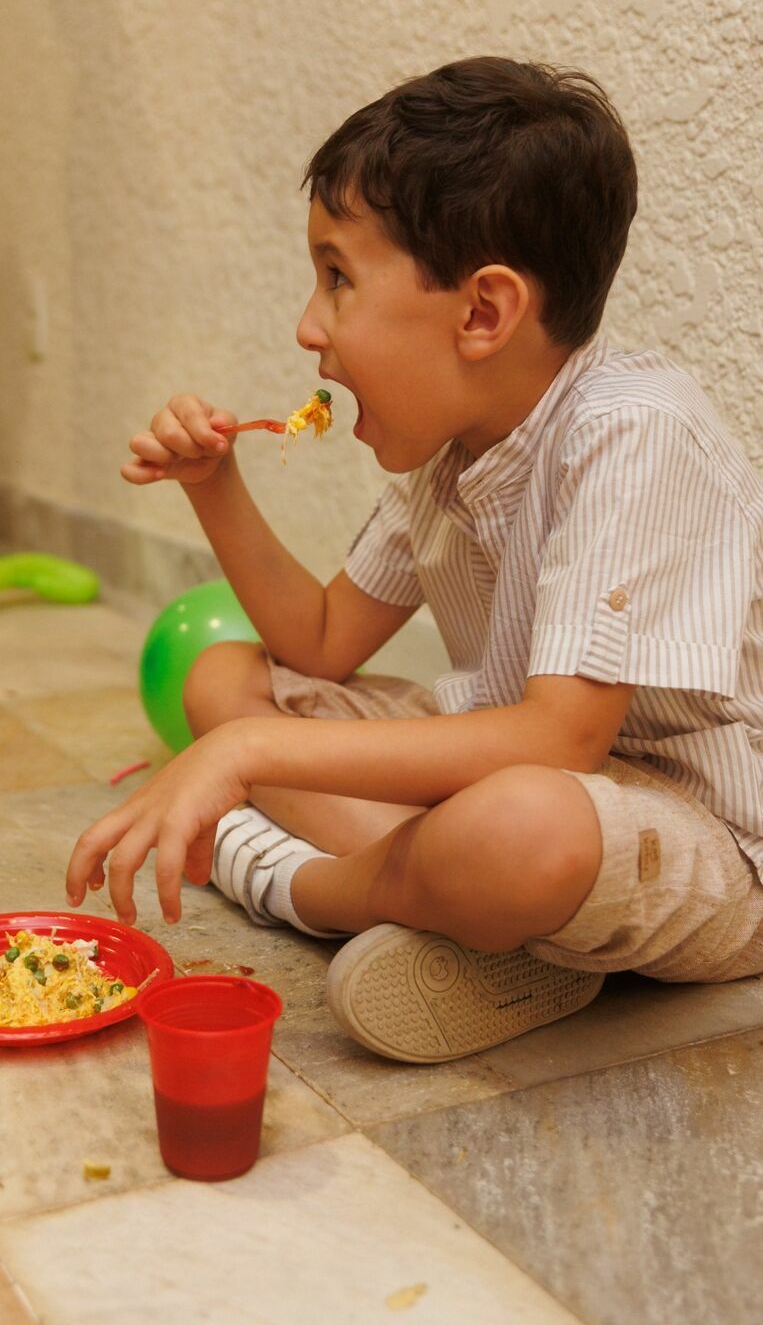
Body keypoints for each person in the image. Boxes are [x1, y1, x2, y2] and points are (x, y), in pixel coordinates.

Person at [66, 57, 763, 1064]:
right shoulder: (448, 455)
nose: (309, 327)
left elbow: (561, 740)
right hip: (529, 775)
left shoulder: (634, 431)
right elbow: (316, 639)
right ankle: (478, 926)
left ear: (482, 313)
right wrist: (212, 484)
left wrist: (246, 760)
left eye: (337, 277)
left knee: (516, 827)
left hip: (704, 839)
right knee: (227, 680)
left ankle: (306, 889)